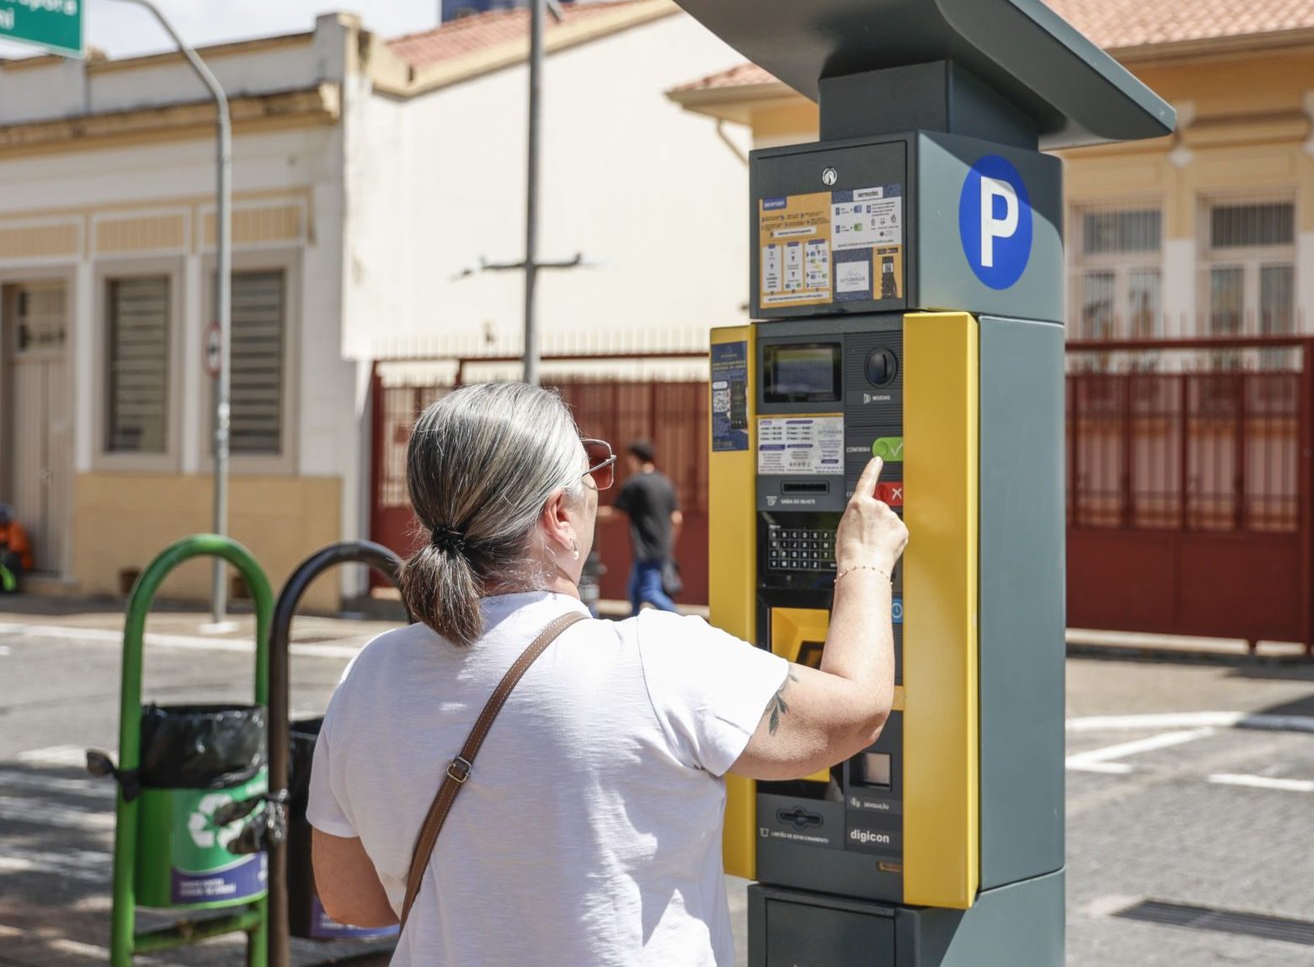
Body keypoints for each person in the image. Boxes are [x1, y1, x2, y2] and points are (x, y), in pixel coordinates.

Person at [308, 382, 906, 966]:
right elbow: (857, 713)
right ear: (560, 514)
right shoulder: (652, 660)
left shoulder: (369, 674)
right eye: (592, 470)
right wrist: (865, 562)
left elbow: (351, 900)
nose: (600, 486)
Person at [598, 440, 683, 615]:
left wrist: (589, 513)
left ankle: (684, 622)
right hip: (661, 548)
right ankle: (633, 625)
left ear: (634, 458)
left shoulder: (635, 483)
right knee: (635, 591)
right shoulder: (665, 482)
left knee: (649, 592)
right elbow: (677, 518)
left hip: (646, 548)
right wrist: (668, 544)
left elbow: (616, 513)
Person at [0, 505, 32, 595]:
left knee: (6, 560)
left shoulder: (15, 528)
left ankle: (10, 587)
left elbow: (17, 548)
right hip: (6, 556)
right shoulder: (2, 529)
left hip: (18, 560)